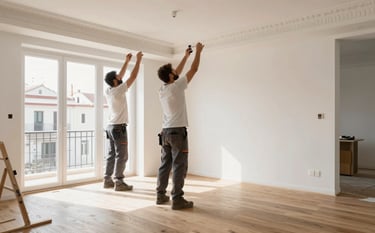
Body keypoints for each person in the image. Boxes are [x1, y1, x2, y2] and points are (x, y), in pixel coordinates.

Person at [156, 42, 204, 210]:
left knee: (165, 164)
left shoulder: (163, 89)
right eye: (173, 72)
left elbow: (177, 73)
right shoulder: (176, 87)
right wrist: (198, 52)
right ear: (170, 77)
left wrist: (185, 56)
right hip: (177, 133)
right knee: (179, 165)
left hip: (166, 132)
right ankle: (177, 199)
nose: (175, 73)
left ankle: (160, 195)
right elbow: (194, 70)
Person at [103, 51, 143, 191]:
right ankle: (119, 182)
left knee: (112, 154)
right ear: (115, 81)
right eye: (118, 78)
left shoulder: (109, 90)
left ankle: (107, 180)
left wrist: (126, 61)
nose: (120, 78)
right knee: (122, 155)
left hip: (110, 127)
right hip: (119, 128)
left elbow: (120, 76)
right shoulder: (118, 91)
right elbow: (133, 76)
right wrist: (138, 61)